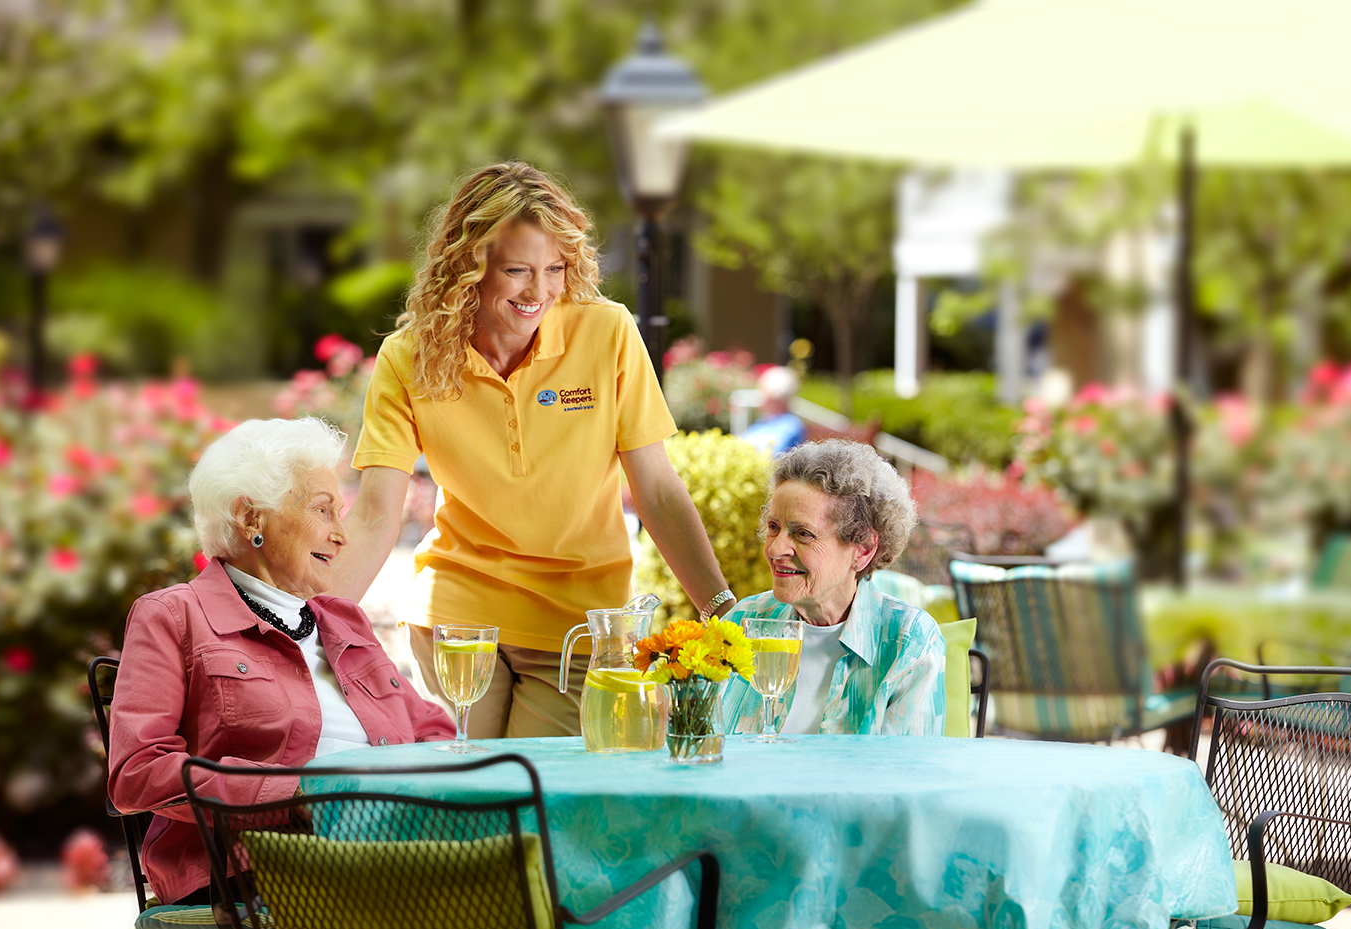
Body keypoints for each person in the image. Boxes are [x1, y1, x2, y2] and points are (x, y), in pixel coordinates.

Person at [331, 161, 735, 739]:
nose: (539, 291)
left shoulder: (608, 333)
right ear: (468, 269)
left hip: (579, 623)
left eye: (554, 269)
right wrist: (302, 625)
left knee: (537, 802)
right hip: (458, 613)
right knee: (469, 800)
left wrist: (721, 608)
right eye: (517, 270)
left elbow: (658, 489)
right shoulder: (409, 356)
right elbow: (374, 515)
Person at [98, 416, 453, 929]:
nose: (341, 533)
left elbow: (429, 729)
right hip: (255, 863)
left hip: (391, 840)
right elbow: (137, 773)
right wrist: (302, 790)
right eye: (323, 509)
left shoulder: (342, 618)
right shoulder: (174, 616)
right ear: (250, 516)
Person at [722, 438, 945, 737]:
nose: (775, 550)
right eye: (774, 527)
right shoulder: (744, 620)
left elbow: (904, 774)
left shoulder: (909, 642)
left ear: (863, 549)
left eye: (803, 534)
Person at [740, 364, 807, 455]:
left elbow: (774, 456)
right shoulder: (764, 419)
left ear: (774, 398)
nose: (759, 396)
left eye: (762, 391)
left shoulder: (791, 426)